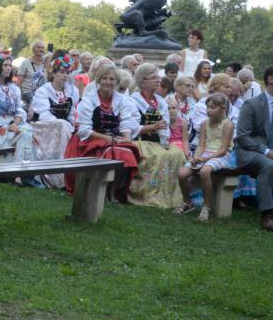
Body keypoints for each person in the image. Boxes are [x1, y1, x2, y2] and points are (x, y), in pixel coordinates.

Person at [66, 62, 141, 202]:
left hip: (113, 138)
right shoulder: (89, 100)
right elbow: (84, 130)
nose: (108, 82)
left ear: (117, 82)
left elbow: (125, 123)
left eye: (112, 79)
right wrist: (108, 139)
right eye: (105, 78)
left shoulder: (122, 100)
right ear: (98, 80)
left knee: (128, 150)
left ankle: (113, 191)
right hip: (90, 138)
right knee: (115, 151)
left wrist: (126, 138)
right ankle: (102, 190)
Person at [235, 66, 273, 231]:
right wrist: (267, 152)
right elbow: (242, 137)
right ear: (271, 80)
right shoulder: (251, 104)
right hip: (250, 153)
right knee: (268, 164)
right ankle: (266, 215)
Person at [127, 63, 185, 209]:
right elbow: (130, 128)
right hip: (139, 141)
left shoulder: (160, 102)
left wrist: (164, 141)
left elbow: (164, 127)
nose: (158, 80)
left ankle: (171, 197)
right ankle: (148, 196)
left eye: (158, 77)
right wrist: (152, 127)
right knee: (158, 157)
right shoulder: (133, 101)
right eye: (153, 77)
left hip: (157, 141)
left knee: (178, 154)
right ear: (143, 81)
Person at [177, 92, 235, 221]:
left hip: (220, 156)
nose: (209, 110)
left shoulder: (228, 125)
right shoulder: (204, 124)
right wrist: (196, 157)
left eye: (213, 107)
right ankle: (188, 202)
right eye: (208, 107)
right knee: (182, 173)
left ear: (223, 108)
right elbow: (201, 145)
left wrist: (204, 159)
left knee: (204, 171)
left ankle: (206, 206)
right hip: (204, 154)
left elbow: (224, 150)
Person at [29, 53, 80, 187]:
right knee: (62, 126)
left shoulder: (73, 91)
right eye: (62, 72)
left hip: (63, 127)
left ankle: (68, 176)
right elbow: (43, 114)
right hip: (43, 126)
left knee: (70, 130)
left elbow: (72, 114)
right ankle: (55, 177)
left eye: (68, 72)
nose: (65, 76)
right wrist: (62, 124)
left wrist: (69, 126)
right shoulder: (44, 90)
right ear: (54, 74)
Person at [0, 51, 34, 165]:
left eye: (10, 65)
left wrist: (14, 124)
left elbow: (19, 109)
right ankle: (20, 170)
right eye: (5, 65)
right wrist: (4, 127)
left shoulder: (13, 88)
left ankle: (21, 170)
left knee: (27, 131)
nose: (9, 68)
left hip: (14, 123)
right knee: (24, 133)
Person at [167, 75, 197, 153]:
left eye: (192, 86)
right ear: (177, 87)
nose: (190, 88)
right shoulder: (167, 101)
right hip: (170, 141)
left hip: (188, 141)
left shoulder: (193, 103)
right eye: (187, 86)